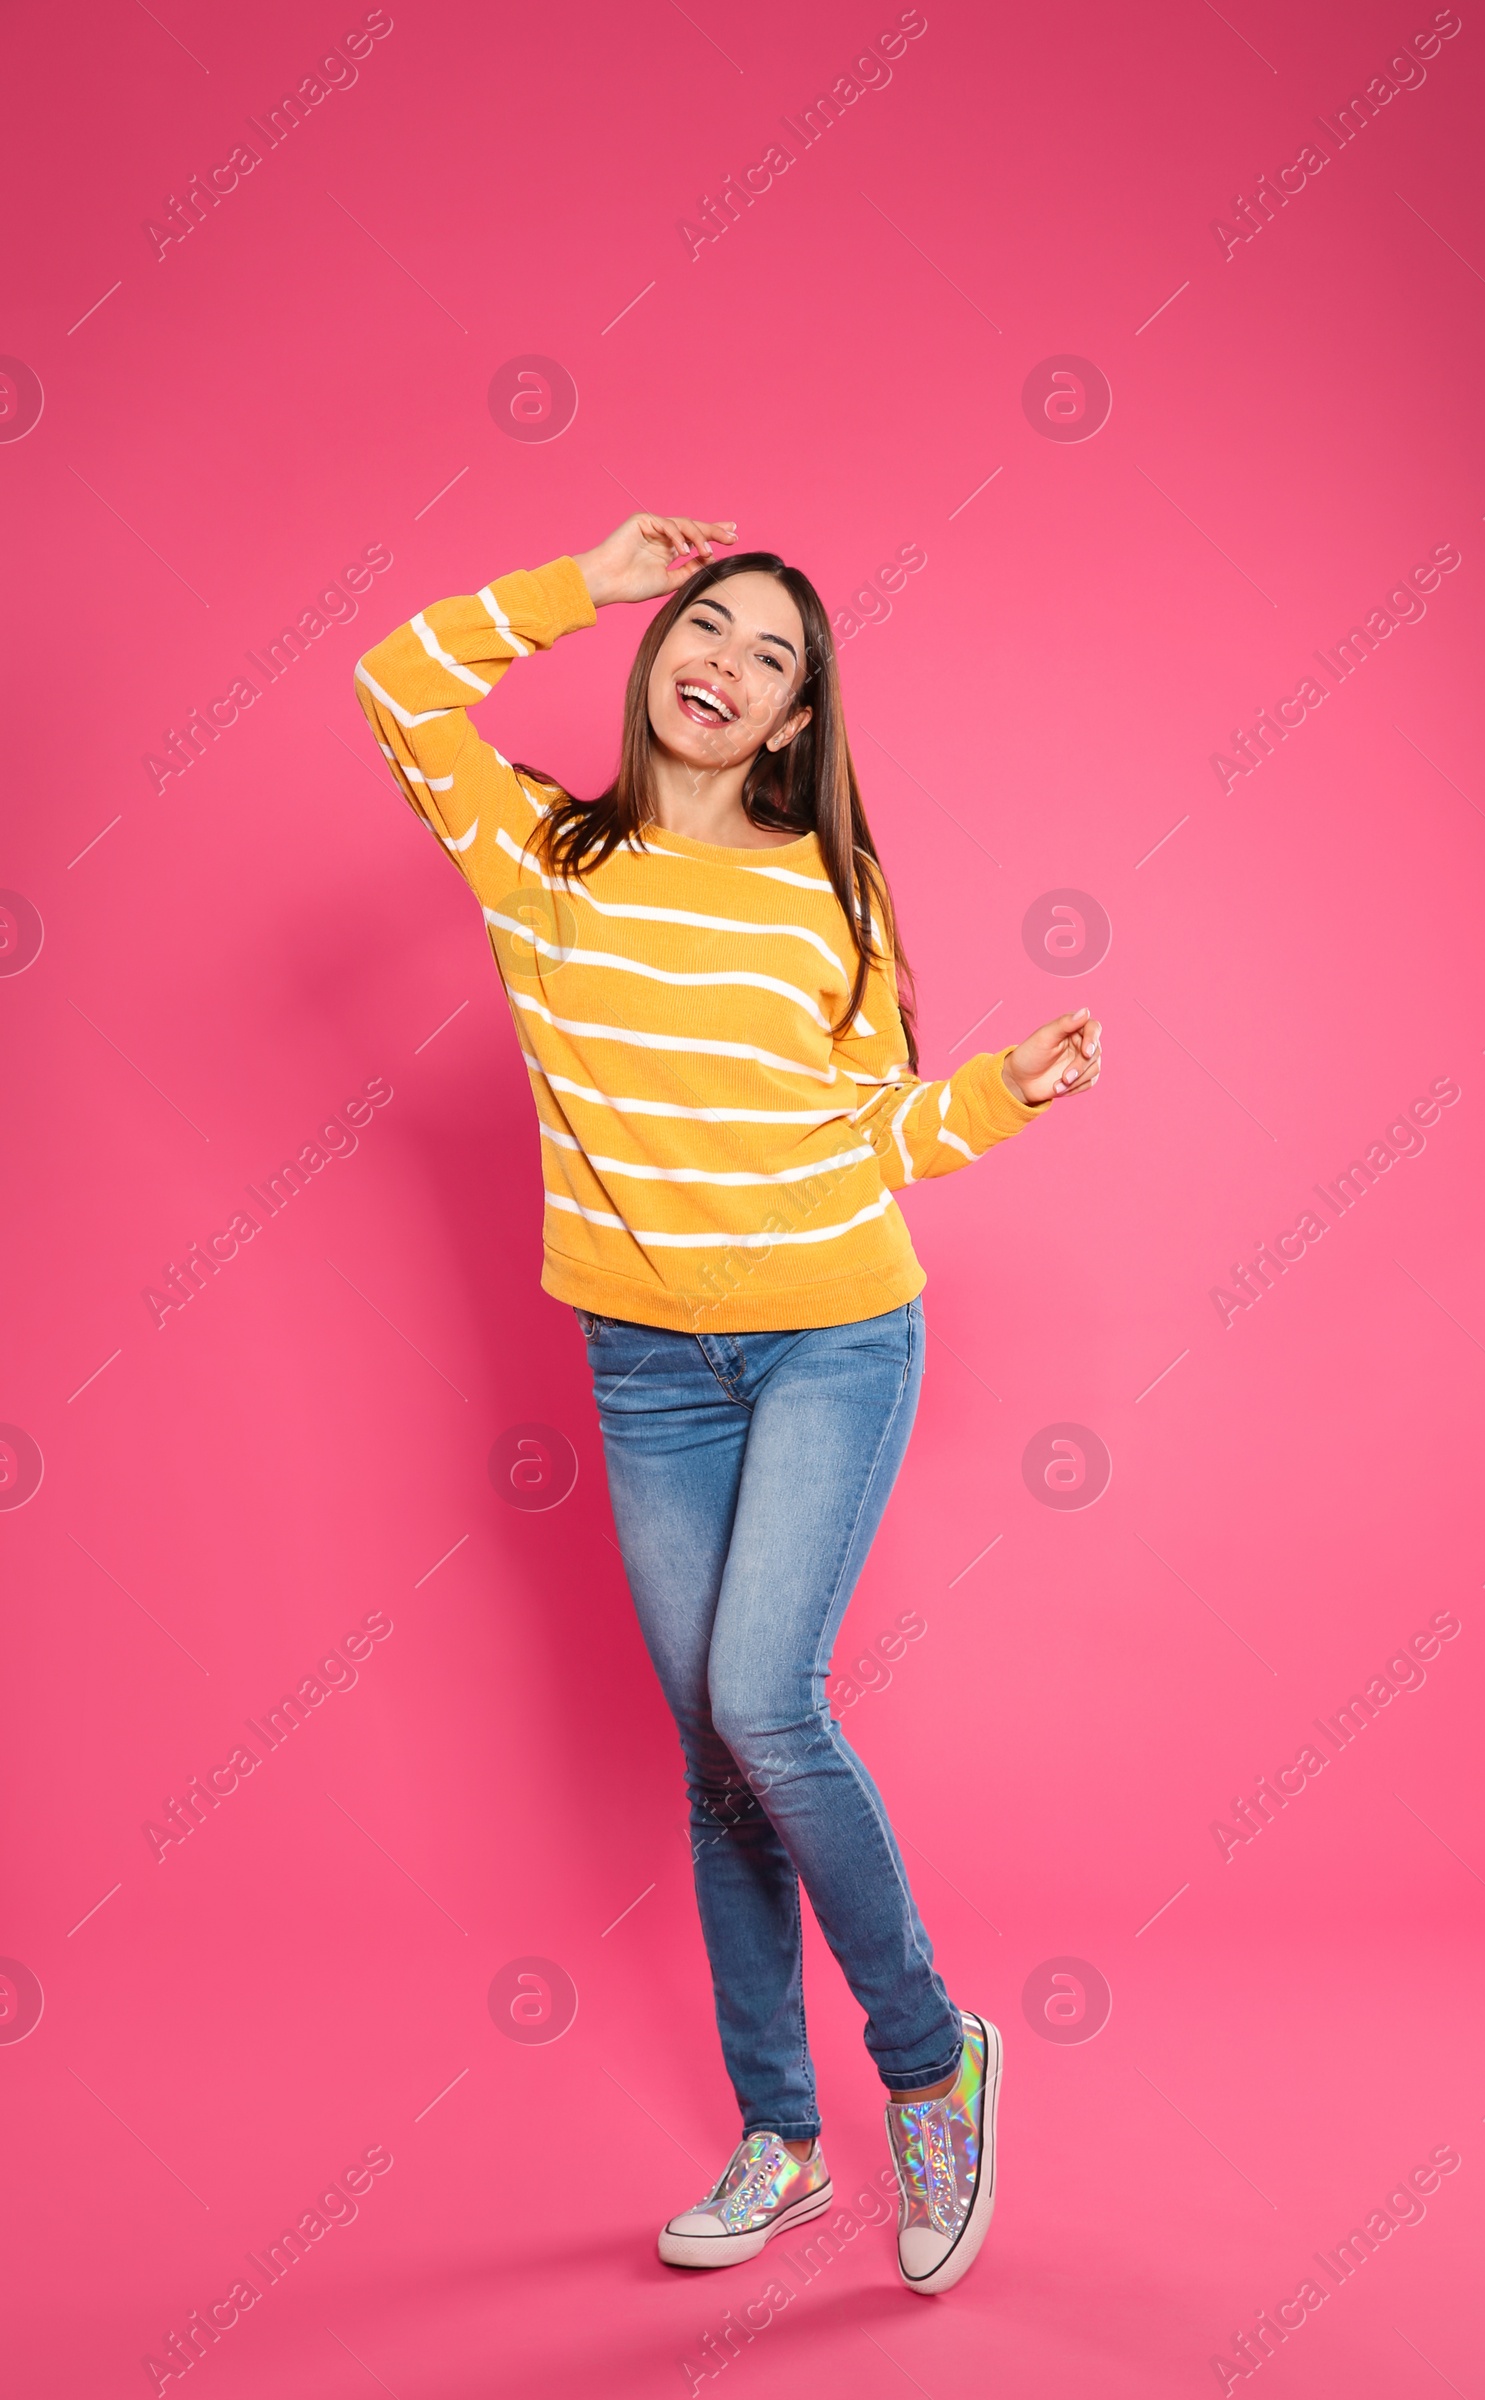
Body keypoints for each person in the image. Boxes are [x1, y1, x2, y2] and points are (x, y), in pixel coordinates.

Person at [356, 512, 1103, 2295]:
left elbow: (869, 1131)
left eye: (773, 657)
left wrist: (1000, 1091)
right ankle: (778, 2137)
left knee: (764, 1701)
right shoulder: (541, 850)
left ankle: (929, 2062)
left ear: (790, 726)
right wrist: (580, 577)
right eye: (706, 625)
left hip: (835, 1334)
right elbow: (395, 690)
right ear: (653, 649)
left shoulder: (824, 889)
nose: (729, 662)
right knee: (715, 1763)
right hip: (645, 1368)